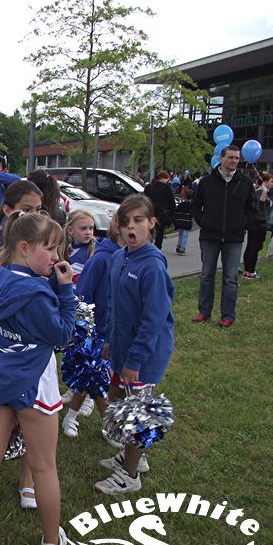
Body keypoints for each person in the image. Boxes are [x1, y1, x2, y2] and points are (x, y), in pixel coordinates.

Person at [0, 212, 75, 545]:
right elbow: (63, 334)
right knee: (44, 465)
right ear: (24, 247)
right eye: (49, 248)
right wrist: (65, 291)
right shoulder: (38, 293)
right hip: (35, 382)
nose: (55, 257)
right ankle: (51, 542)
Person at [97, 195, 174, 495]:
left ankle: (130, 476)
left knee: (136, 412)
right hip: (121, 347)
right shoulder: (119, 257)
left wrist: (135, 360)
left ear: (151, 223)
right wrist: (109, 338)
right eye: (125, 222)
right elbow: (114, 302)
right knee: (117, 399)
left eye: (138, 221)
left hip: (143, 355)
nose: (131, 227)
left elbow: (153, 319)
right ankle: (134, 457)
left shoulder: (152, 266)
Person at [60, 216, 122, 440]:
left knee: (93, 375)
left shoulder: (123, 257)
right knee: (94, 374)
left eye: (91, 228)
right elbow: (83, 296)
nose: (88, 232)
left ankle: (73, 415)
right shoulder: (100, 260)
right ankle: (107, 427)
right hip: (95, 329)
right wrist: (86, 328)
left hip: (112, 329)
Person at [191, 145, 255, 327]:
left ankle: (227, 315)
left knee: (230, 278)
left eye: (237, 158)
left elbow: (252, 208)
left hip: (234, 238)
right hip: (209, 236)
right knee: (207, 275)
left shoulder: (245, 183)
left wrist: (242, 223)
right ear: (221, 158)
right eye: (231, 157)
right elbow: (195, 206)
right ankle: (204, 312)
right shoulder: (206, 182)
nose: (234, 161)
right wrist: (204, 221)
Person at [241, 172, 272, 279]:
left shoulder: (263, 192)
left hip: (258, 223)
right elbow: (259, 205)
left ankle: (247, 270)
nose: (272, 184)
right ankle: (250, 271)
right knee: (253, 247)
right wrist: (263, 190)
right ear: (265, 182)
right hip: (258, 223)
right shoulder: (260, 192)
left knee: (252, 246)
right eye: (271, 182)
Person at [143, 170, 175, 249]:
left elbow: (143, 198)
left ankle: (147, 246)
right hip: (161, 213)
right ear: (163, 178)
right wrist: (171, 213)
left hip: (149, 212)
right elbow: (171, 201)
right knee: (159, 232)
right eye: (167, 179)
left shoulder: (149, 186)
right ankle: (157, 248)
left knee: (148, 230)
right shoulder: (166, 187)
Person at [64, 210, 96, 289]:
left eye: (91, 228)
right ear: (70, 230)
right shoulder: (64, 247)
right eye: (83, 228)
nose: (88, 232)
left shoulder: (93, 251)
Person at [173, 183, 194, 255]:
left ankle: (178, 246)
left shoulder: (181, 204)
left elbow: (176, 210)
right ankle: (182, 248)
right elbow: (193, 213)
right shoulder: (191, 205)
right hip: (187, 221)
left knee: (181, 234)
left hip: (180, 221)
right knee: (185, 235)